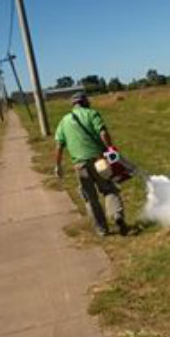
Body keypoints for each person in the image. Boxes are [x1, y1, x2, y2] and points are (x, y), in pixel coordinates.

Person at [54, 91, 128, 236]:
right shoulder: (92, 114)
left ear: (73, 104)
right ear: (85, 102)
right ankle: (116, 214)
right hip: (99, 160)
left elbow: (59, 145)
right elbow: (102, 132)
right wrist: (110, 150)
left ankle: (102, 230)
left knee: (90, 198)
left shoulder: (64, 121)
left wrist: (58, 165)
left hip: (80, 165)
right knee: (108, 189)